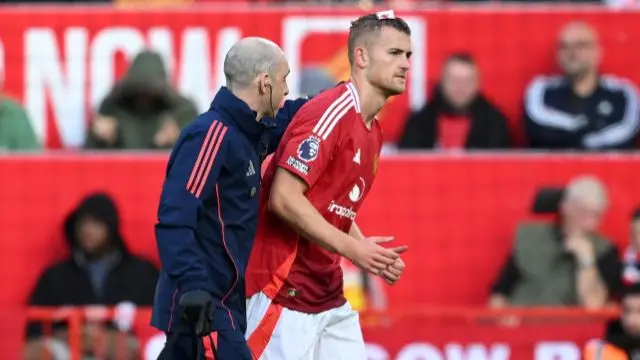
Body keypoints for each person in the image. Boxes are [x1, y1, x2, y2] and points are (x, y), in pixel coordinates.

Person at [244, 10, 411, 359]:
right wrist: (356, 251)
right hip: (284, 293)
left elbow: (332, 206)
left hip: (327, 296)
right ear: (361, 57)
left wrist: (369, 253)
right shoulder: (330, 112)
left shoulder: (372, 132)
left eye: (408, 54)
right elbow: (285, 199)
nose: (405, 64)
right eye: (394, 53)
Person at [151, 37, 308, 360]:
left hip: (221, 304)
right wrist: (194, 287)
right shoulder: (212, 135)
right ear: (265, 84)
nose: (287, 89)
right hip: (202, 305)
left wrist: (342, 97)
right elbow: (174, 218)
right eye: (284, 79)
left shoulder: (249, 132)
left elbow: (294, 115)